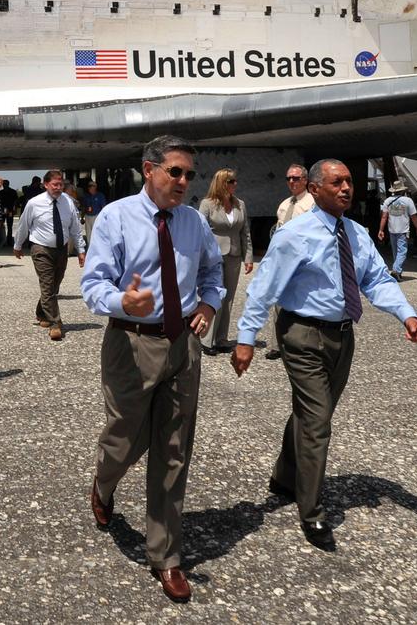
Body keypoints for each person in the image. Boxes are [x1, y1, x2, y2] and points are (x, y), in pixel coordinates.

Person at [232, 159, 417, 552]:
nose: (346, 188)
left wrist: (406, 314)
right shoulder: (294, 234)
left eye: (349, 182)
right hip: (302, 334)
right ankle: (311, 510)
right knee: (317, 421)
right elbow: (264, 287)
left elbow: (375, 278)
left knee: (312, 414)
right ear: (316, 188)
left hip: (342, 336)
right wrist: (246, 337)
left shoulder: (355, 234)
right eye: (337, 182)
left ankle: (284, 476)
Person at [81, 135, 224, 603]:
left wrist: (207, 302)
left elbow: (212, 270)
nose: (184, 182)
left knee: (174, 448)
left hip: (182, 345)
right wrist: (122, 299)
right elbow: (93, 283)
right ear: (149, 169)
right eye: (175, 172)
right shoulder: (116, 216)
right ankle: (104, 483)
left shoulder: (193, 222)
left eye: (189, 174)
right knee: (124, 435)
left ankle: (166, 555)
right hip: (130, 343)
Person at [14, 169, 86, 341]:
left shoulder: (68, 202)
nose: (58, 187)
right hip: (41, 248)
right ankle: (55, 323)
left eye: (60, 184)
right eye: (55, 184)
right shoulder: (34, 203)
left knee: (55, 285)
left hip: (61, 249)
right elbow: (24, 225)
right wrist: (18, 245)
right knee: (47, 284)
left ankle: (42, 313)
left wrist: (81, 250)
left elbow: (75, 228)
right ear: (46, 185)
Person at [196, 169, 253, 356]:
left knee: (228, 298)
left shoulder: (240, 204)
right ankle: (206, 339)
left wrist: (248, 257)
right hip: (213, 256)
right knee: (214, 295)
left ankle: (221, 339)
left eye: (235, 181)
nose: (234, 184)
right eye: (231, 181)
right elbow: (199, 233)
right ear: (221, 183)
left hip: (234, 255)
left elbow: (245, 232)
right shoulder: (207, 204)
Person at [266, 163, 316, 359]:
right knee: (278, 303)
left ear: (305, 180)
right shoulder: (285, 204)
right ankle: (277, 345)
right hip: (283, 260)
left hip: (302, 261)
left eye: (296, 178)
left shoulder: (312, 203)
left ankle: (301, 343)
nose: (292, 182)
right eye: (289, 178)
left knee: (302, 302)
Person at [378, 182, 417, 281]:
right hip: (403, 229)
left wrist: (381, 230)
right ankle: (396, 271)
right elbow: (413, 216)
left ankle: (398, 272)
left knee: (395, 252)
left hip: (392, 229)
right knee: (402, 252)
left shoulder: (388, 200)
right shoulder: (408, 200)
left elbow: (384, 216)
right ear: (403, 190)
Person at [82, 180, 107, 247]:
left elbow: (104, 207)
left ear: (95, 187)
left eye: (91, 186)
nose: (89, 188)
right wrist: (82, 217)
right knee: (88, 233)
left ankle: (98, 247)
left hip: (97, 216)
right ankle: (90, 247)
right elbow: (84, 207)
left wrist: (104, 218)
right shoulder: (86, 196)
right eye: (89, 186)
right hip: (87, 216)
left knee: (97, 233)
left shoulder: (100, 195)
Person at [0, 179, 18, 244]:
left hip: (10, 211)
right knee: (1, 226)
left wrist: (14, 209)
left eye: (5, 184)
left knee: (10, 226)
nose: (4, 185)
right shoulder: (0, 192)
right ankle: (2, 240)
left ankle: (9, 241)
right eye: (4, 184)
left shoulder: (13, 192)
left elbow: (15, 201)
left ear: (8, 184)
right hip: (2, 211)